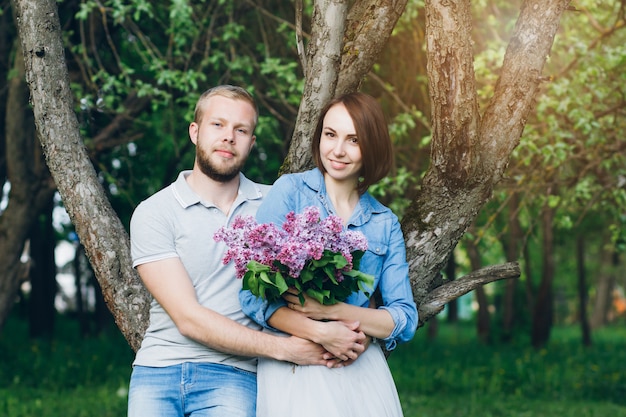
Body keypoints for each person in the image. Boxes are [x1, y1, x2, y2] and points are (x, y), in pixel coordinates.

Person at [127, 85, 366, 417]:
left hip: (234, 374)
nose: (229, 137)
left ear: (251, 143)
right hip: (158, 370)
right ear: (194, 132)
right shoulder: (155, 212)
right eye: (218, 125)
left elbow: (336, 247)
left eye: (241, 130)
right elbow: (187, 319)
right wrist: (286, 349)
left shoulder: (276, 205)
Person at [240, 92, 419, 416]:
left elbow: (404, 318)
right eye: (330, 134)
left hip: (360, 367)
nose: (338, 150)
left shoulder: (384, 223)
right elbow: (253, 297)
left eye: (353, 140)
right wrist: (321, 333)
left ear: (372, 146)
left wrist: (332, 313)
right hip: (295, 366)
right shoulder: (290, 192)